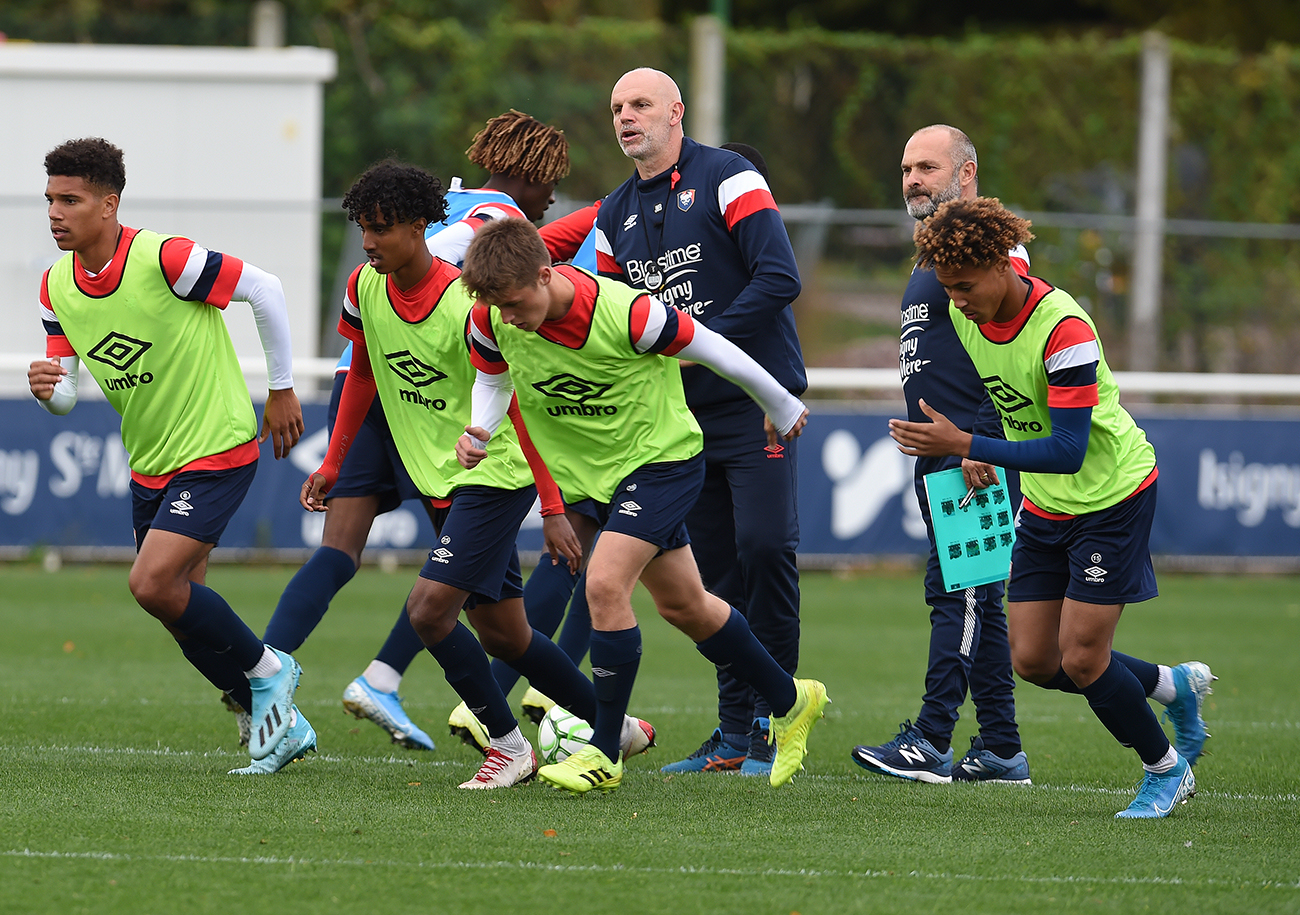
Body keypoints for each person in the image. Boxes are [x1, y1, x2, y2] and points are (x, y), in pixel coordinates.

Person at [301, 159, 653, 790]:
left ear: (420, 226)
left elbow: (513, 401)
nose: (369, 242)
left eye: (381, 228)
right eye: (362, 228)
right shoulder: (363, 287)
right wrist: (334, 461)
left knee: (430, 611)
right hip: (437, 476)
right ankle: (612, 725)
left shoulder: (467, 301)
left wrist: (550, 504)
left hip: (494, 473)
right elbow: (361, 372)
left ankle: (509, 746)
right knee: (507, 634)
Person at [456, 217, 828, 794]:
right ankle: (791, 696)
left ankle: (604, 751)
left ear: (546, 273)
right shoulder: (489, 318)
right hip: (600, 479)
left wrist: (780, 403)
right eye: (496, 307)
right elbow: (493, 379)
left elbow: (716, 349)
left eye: (513, 302)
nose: (507, 316)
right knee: (689, 607)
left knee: (604, 585)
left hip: (661, 463)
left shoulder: (629, 313)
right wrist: (478, 430)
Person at [261, 109, 577, 756]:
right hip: (431, 403)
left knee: (362, 560)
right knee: (451, 596)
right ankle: (377, 681)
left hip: (395, 396)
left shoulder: (444, 202)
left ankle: (269, 671)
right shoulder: (493, 223)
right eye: (549, 184)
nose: (550, 199)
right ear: (529, 172)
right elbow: (456, 297)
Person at [889, 196, 1214, 818]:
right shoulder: (968, 318)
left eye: (964, 285)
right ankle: (1169, 685)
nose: (955, 300)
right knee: (1035, 661)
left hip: (1111, 497)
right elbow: (1000, 391)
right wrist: (981, 446)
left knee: (1084, 657)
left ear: (1002, 266)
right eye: (947, 288)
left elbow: (1067, 450)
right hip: (1046, 503)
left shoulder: (1064, 329)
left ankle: (1164, 769)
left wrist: (965, 442)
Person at [29, 137, 312, 776]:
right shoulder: (54, 287)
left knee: (151, 583)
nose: (55, 212)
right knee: (182, 613)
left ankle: (271, 672)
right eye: (49, 199)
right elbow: (68, 394)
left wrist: (283, 387)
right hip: (150, 461)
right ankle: (271, 719)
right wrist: (51, 391)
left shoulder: (165, 259)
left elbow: (264, 290)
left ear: (109, 204)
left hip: (215, 443)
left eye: (69, 200)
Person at [594, 68, 805, 777]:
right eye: (618, 107)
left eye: (642, 104)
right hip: (678, 421)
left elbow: (779, 278)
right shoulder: (610, 215)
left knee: (766, 548)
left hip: (755, 407)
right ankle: (732, 733)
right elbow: (615, 325)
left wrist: (692, 342)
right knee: (709, 580)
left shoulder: (729, 174)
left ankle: (779, 722)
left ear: (677, 111)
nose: (627, 117)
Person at [850, 125, 1030, 785]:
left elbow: (1014, 341)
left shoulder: (994, 247)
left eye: (927, 166)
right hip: (944, 456)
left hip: (972, 456)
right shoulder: (935, 254)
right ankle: (1003, 748)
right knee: (976, 598)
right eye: (905, 169)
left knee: (960, 595)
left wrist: (984, 437)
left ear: (967, 173)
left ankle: (930, 738)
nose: (913, 180)